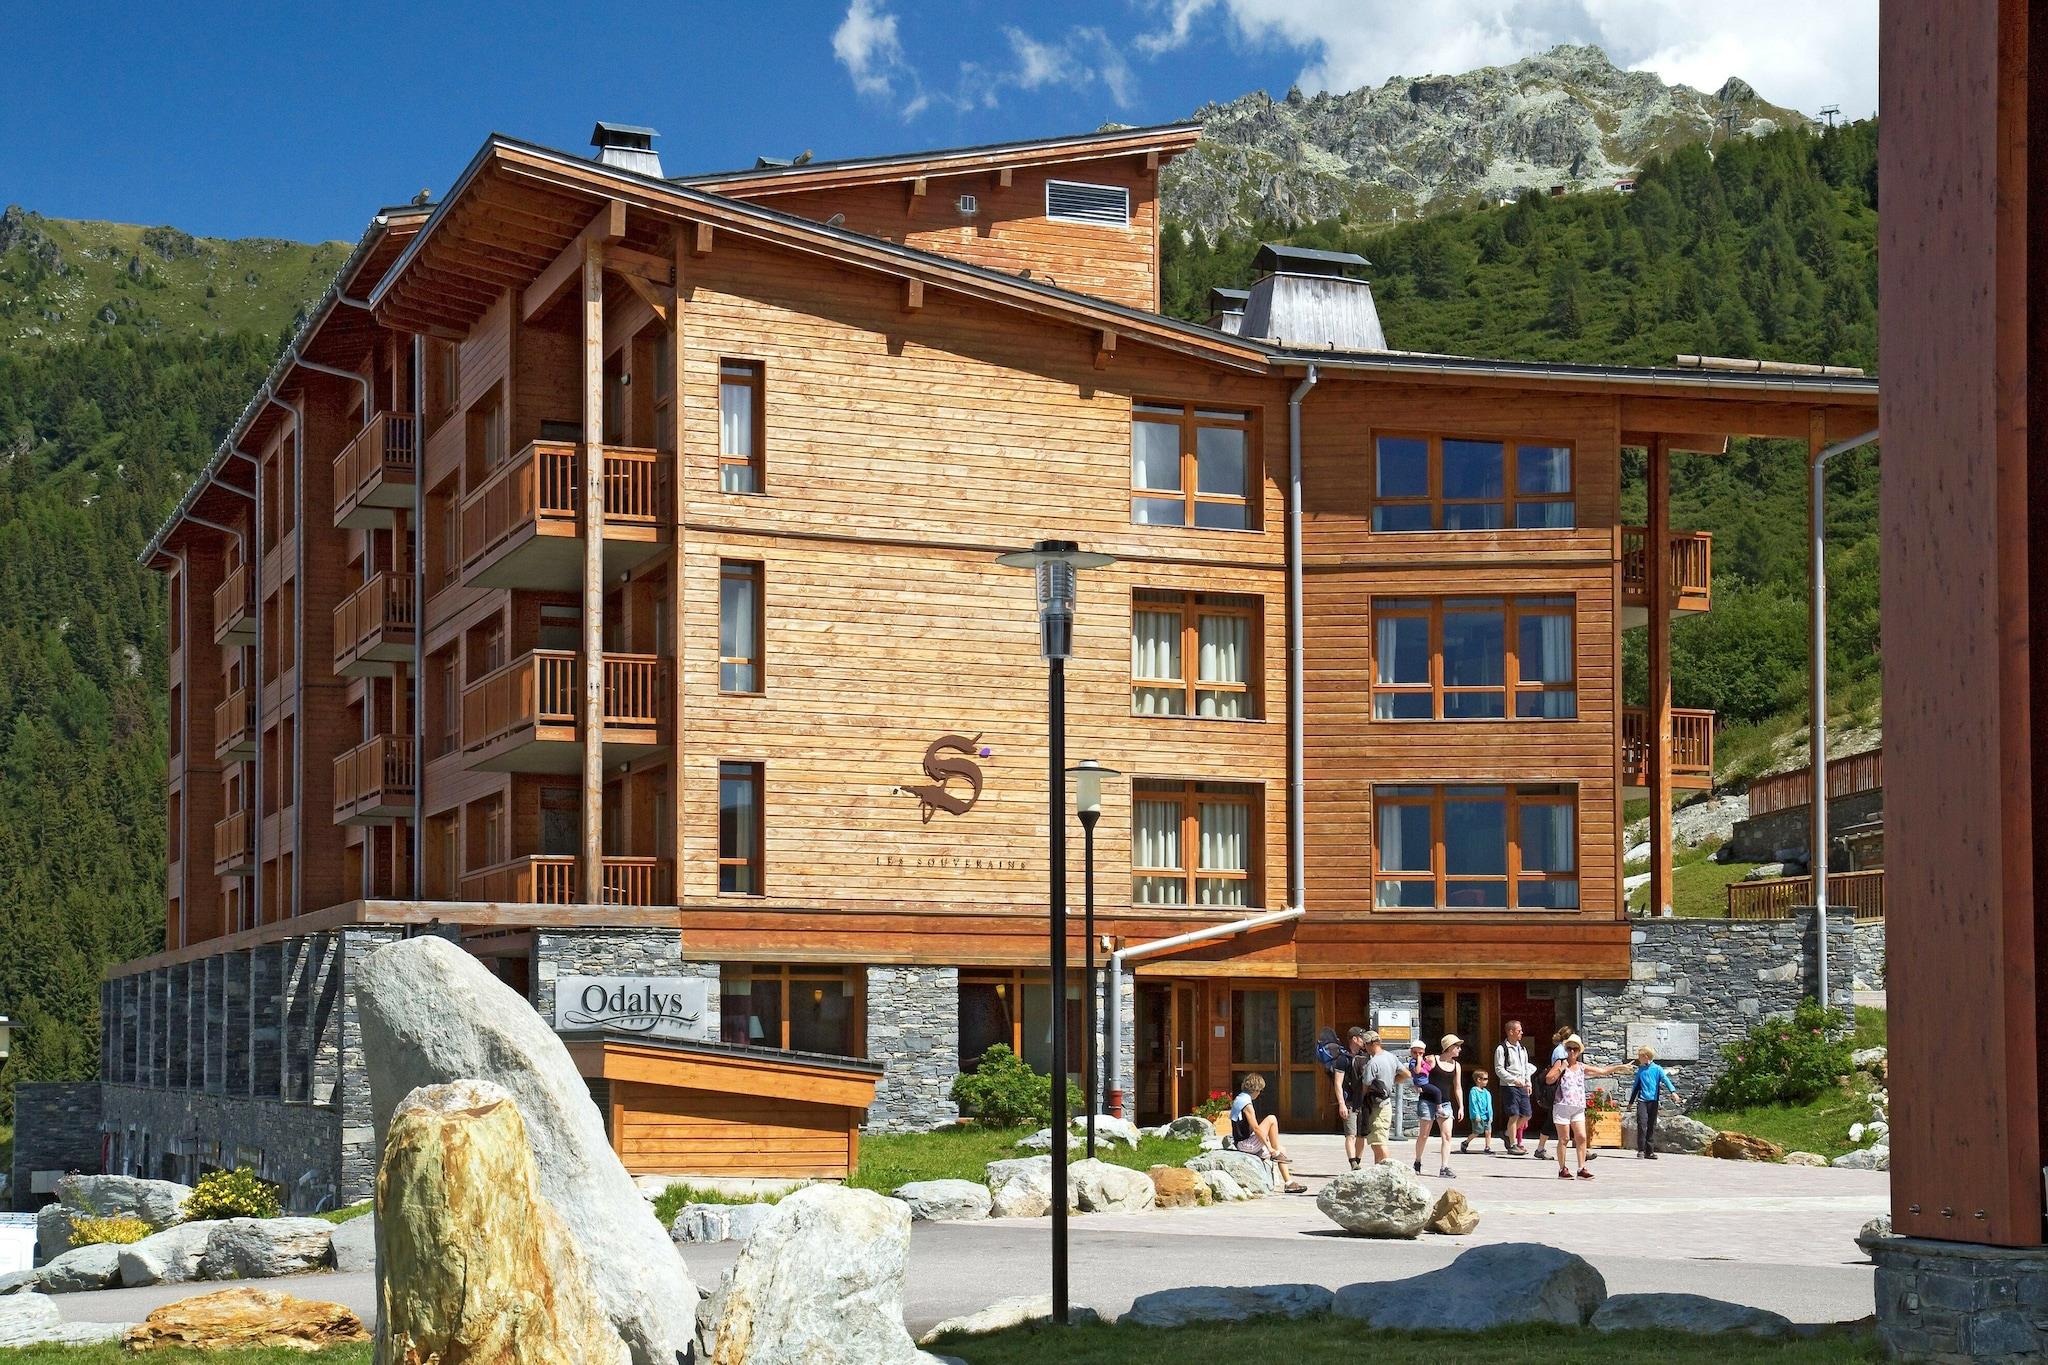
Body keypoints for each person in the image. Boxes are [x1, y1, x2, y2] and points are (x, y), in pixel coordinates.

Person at [1544, 1035, 1625, 1180]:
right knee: (1564, 1138)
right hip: (1562, 1106)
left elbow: (1602, 1071)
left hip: (1578, 1107)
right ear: (1566, 1049)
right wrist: (1561, 1068)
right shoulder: (1560, 1063)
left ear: (1579, 1051)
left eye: (1575, 1049)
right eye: (1569, 1048)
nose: (1572, 1051)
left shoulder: (1581, 1067)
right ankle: (1562, 1169)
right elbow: (1549, 1079)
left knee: (1581, 1137)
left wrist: (1618, 1067)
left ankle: (1581, 1168)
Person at [1229, 1074, 1309, 1193]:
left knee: (1282, 1149)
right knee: (1271, 1118)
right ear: (1255, 1090)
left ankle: (1288, 1183)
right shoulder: (1247, 1104)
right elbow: (1256, 1128)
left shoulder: (1240, 1098)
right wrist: (1269, 1148)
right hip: (1245, 1144)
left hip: (1242, 1142)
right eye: (1259, 1091)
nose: (1259, 1094)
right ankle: (1274, 1151)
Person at [1412, 1034, 1465, 1177]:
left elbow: (1458, 1087)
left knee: (1447, 1135)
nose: (1459, 1049)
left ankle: (1444, 1167)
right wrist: (1416, 1085)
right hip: (1427, 1101)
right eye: (1457, 1046)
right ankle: (1417, 1161)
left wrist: (1461, 1106)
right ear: (1449, 1047)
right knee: (1424, 1135)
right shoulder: (1432, 1059)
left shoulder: (1456, 1066)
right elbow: (1419, 1073)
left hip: (1445, 1103)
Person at [1355, 1030, 1408, 1164]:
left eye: (1365, 1045)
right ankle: (1378, 1169)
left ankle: (1388, 1169)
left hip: (1377, 1108)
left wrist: (1361, 1103)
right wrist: (1392, 1081)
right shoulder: (1391, 1057)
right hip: (1386, 1103)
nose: (1365, 1048)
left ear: (1370, 1044)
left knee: (1378, 1142)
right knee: (1376, 1142)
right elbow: (1407, 1074)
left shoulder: (1373, 1063)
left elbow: (1365, 1087)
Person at [1627, 1046, 1681, 1158]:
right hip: (1642, 1101)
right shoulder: (1641, 1070)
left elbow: (1666, 1080)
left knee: (1651, 1125)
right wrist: (1631, 1102)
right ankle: (1641, 1150)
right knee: (1642, 1124)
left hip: (1653, 1101)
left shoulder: (1657, 1069)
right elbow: (1636, 1087)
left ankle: (1650, 1151)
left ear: (1646, 1056)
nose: (1638, 1059)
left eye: (1640, 1056)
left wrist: (1673, 1092)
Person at [1530, 1024, 1574, 1160]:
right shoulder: (1561, 1052)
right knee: (1554, 1119)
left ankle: (1581, 1146)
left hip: (1563, 1089)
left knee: (1569, 1117)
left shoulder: (1560, 1049)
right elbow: (1555, 1073)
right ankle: (1540, 1148)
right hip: (1560, 1090)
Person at [1331, 1026, 1372, 1170]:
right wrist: (1341, 1104)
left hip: (1364, 1101)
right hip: (1349, 1102)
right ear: (1354, 1039)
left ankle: (1358, 1162)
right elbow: (1338, 1083)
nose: (1364, 1041)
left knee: (1361, 1135)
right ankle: (1353, 1163)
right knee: (1351, 1134)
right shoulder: (1343, 1059)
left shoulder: (1366, 1057)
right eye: (1362, 1038)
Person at [1494, 1020, 1534, 1154]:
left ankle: (1507, 1133)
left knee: (1527, 1114)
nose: (1521, 1033)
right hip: (1509, 1086)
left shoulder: (1522, 1049)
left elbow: (1526, 1068)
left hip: (1522, 1085)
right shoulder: (1502, 1049)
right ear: (1511, 1032)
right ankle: (1512, 1144)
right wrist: (1513, 1080)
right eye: (1519, 1030)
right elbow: (1499, 1069)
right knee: (1514, 1114)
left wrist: (1528, 1083)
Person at [1461, 1067, 1496, 1155]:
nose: (1487, 1081)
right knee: (1477, 1132)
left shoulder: (1487, 1092)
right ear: (1478, 1080)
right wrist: (1476, 1114)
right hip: (1478, 1116)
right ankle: (1466, 1142)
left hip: (1486, 1116)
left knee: (1488, 1131)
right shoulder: (1474, 1091)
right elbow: (1473, 1103)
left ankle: (1487, 1147)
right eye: (1485, 1079)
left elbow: (1489, 1105)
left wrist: (1491, 1115)